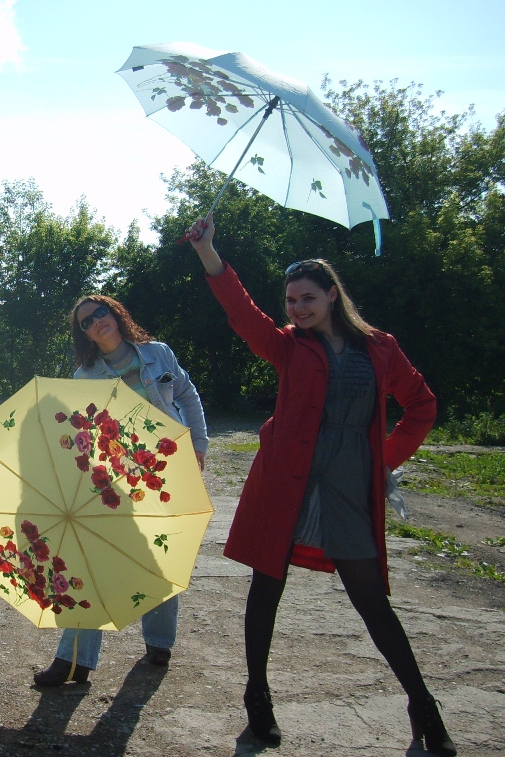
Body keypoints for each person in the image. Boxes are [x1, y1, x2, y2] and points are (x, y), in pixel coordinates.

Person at [184, 213, 455, 756]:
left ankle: (422, 704)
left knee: (370, 597)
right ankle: (257, 695)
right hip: (287, 479)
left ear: (332, 295)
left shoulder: (380, 347)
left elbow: (421, 406)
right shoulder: (288, 345)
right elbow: (243, 313)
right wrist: (207, 251)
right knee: (267, 586)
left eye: (307, 298)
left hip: (350, 484)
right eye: (291, 301)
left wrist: (383, 460)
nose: (298, 308)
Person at [33, 294, 209, 687]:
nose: (96, 321)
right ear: (85, 335)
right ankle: (74, 660)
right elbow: (81, 435)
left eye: (100, 312)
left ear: (115, 313)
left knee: (163, 556)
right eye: (86, 321)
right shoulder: (84, 377)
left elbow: (186, 394)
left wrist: (198, 442)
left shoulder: (157, 353)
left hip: (166, 474)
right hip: (115, 482)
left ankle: (159, 643)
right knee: (93, 562)